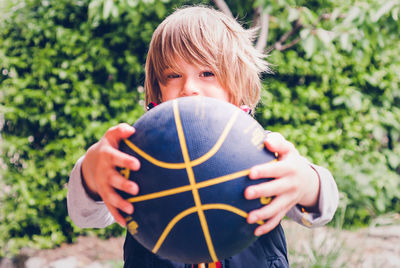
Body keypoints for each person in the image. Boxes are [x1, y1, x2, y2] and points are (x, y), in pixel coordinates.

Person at [67, 5, 339, 268]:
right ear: (158, 90)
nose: (189, 88)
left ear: (238, 83)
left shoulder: (261, 150)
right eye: (173, 75)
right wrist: (91, 172)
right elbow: (86, 215)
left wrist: (306, 183)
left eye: (207, 73)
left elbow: (322, 209)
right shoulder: (139, 155)